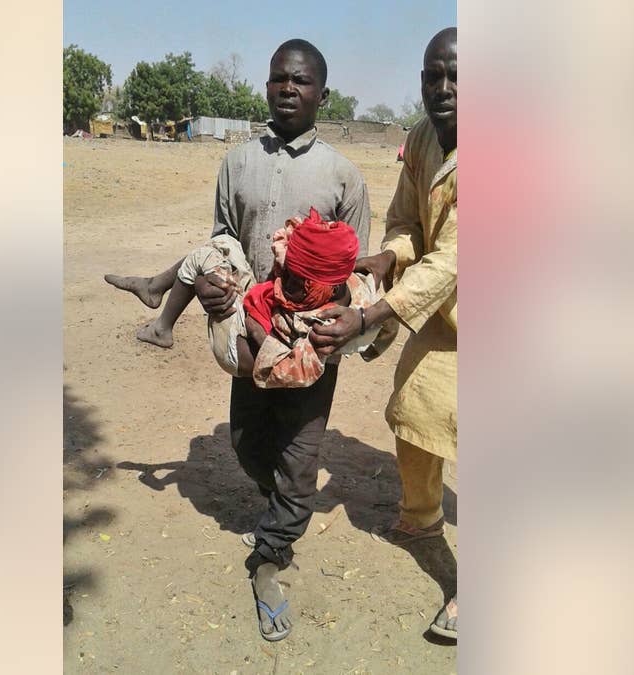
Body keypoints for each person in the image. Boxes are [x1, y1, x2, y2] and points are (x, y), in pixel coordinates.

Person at [190, 38, 372, 641]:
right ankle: (277, 508)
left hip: (308, 344)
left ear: (322, 92)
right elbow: (222, 241)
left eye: (300, 81)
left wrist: (337, 318)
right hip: (250, 331)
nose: (287, 90)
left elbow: (354, 273)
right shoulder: (236, 163)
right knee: (246, 442)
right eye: (278, 79)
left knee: (299, 459)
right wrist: (218, 285)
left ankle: (269, 558)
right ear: (267, 86)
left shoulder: (342, 175)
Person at [310, 27, 459, 640]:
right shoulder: (423, 137)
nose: (444, 88)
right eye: (433, 75)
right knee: (415, 409)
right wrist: (386, 258)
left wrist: (373, 314)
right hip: (448, 315)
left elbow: (454, 258)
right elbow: (406, 223)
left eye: (458, 75)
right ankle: (421, 517)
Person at [106, 209, 381, 382]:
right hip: (254, 308)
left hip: (237, 348)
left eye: (299, 280)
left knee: (205, 256)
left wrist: (258, 332)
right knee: (225, 243)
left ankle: (160, 321)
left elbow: (296, 370)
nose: (289, 283)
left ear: (327, 286)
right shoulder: (337, 283)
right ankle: (156, 291)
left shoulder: (330, 325)